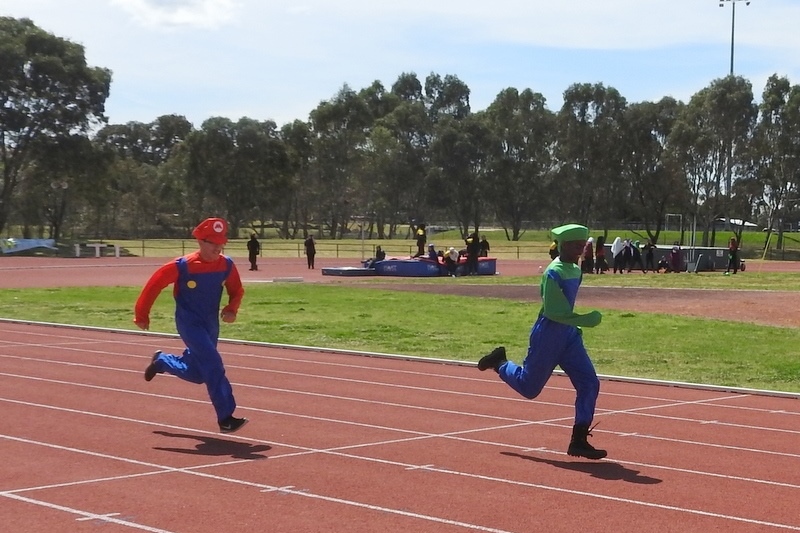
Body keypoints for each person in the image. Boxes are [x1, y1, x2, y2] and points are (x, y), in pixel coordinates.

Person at [477, 223, 606, 460]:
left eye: (582, 244)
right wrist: (585, 319)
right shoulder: (553, 273)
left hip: (568, 335)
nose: (580, 249)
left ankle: (578, 440)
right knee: (529, 388)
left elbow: (565, 310)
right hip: (549, 334)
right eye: (576, 244)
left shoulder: (576, 270)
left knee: (589, 383)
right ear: (563, 245)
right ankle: (501, 363)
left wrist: (576, 325)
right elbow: (555, 311)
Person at [134, 217, 248, 434]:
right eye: (212, 242)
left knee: (199, 374)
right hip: (189, 323)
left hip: (210, 324)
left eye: (221, 242)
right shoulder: (183, 266)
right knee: (213, 364)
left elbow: (237, 290)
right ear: (200, 242)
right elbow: (154, 284)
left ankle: (163, 361)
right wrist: (142, 314)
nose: (218, 247)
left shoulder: (226, 265)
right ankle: (226, 417)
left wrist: (232, 308)